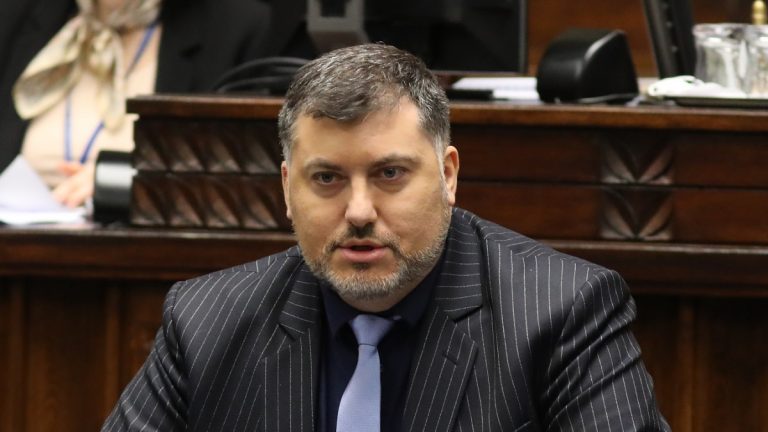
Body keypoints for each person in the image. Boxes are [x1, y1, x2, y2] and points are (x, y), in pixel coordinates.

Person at [101, 43, 669, 432]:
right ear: (287, 187)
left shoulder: (562, 311)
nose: (358, 212)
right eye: (327, 179)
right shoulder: (205, 321)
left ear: (448, 175)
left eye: (389, 174)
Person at [0, 0, 271, 207]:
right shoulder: (16, 15)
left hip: (148, 253)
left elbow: (238, 175)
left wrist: (125, 179)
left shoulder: (233, 27)